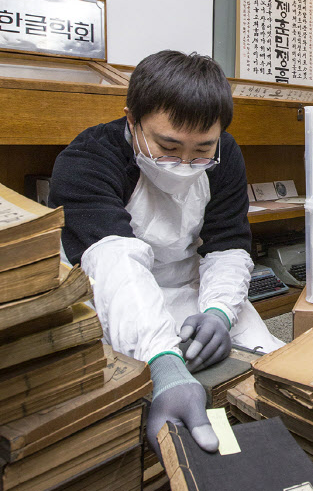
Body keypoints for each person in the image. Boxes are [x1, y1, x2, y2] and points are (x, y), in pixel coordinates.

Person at [49, 50, 283, 454]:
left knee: (274, 371)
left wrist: (219, 312)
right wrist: (162, 363)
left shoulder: (225, 154)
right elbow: (113, 262)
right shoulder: (87, 159)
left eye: (201, 150)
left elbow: (227, 245)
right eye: (168, 147)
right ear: (131, 119)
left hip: (189, 281)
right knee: (136, 395)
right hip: (110, 289)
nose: (185, 163)